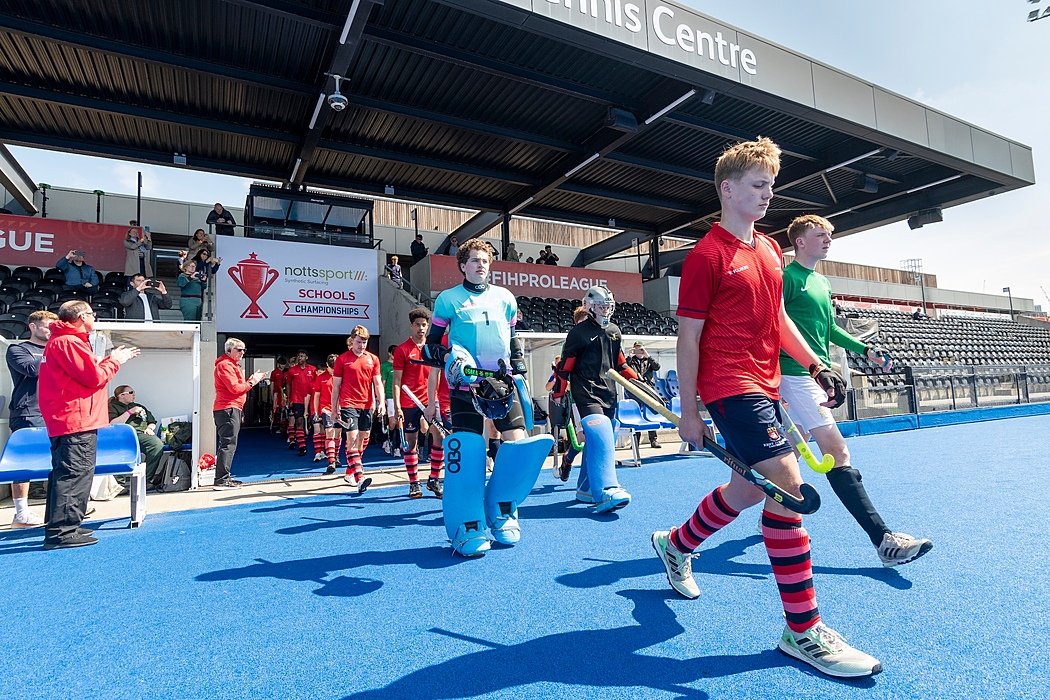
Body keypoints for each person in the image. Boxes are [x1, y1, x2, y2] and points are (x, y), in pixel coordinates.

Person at [651, 137, 881, 678]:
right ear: (727, 189)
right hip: (729, 385)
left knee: (750, 489)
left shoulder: (771, 250)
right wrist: (690, 410)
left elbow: (778, 319)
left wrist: (816, 365)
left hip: (767, 381)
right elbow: (689, 338)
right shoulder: (707, 256)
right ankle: (803, 630)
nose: (767, 194)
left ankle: (676, 544)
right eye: (758, 185)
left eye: (771, 186)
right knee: (788, 487)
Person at [781, 214, 932, 567]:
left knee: (785, 457)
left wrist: (864, 349)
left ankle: (775, 515)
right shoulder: (787, 278)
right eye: (820, 234)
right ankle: (884, 541)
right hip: (796, 374)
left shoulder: (822, 282)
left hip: (816, 375)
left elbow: (830, 329)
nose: (828, 239)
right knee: (837, 451)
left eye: (830, 235)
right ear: (800, 241)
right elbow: (774, 325)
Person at [422, 240, 553, 557]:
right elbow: (430, 347)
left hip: (502, 384)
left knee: (518, 444)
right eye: (474, 260)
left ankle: (503, 510)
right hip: (465, 386)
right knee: (469, 449)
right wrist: (448, 358)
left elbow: (513, 339)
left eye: (485, 260)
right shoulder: (448, 300)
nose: (481, 265)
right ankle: (468, 524)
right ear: (462, 265)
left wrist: (519, 367)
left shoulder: (505, 298)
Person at [39, 301, 139, 549]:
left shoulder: (62, 341)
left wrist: (108, 361)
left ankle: (61, 525)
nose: (95, 318)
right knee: (75, 474)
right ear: (82, 316)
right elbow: (93, 377)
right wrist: (115, 361)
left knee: (67, 472)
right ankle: (62, 531)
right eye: (93, 314)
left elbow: (87, 373)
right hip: (76, 418)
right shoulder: (69, 342)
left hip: (70, 417)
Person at [553, 286, 636, 512]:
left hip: (608, 392)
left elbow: (620, 363)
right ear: (589, 307)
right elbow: (564, 368)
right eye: (600, 306)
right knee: (600, 433)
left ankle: (586, 488)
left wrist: (639, 382)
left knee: (602, 437)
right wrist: (558, 395)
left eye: (607, 306)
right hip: (586, 392)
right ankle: (606, 489)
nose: (605, 310)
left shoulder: (614, 331)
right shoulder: (578, 333)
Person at [5, 310, 58, 528]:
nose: (51, 331)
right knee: (24, 463)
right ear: (33, 326)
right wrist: (58, 355)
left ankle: (58, 508)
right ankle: (21, 514)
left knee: (58, 461)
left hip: (55, 413)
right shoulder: (18, 349)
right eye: (47, 326)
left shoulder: (55, 349)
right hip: (28, 412)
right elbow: (32, 369)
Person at [393, 307, 444, 499]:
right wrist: (397, 407)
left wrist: (437, 399)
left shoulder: (433, 349)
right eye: (417, 325)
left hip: (431, 400)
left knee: (439, 436)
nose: (421, 328)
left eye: (424, 325)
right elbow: (397, 381)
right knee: (411, 442)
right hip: (409, 402)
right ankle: (414, 483)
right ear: (411, 326)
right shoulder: (402, 350)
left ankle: (434, 479)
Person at [331, 326, 385, 493]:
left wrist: (381, 402)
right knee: (352, 439)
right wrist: (334, 409)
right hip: (348, 404)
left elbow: (377, 383)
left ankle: (350, 472)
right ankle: (360, 477)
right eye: (359, 342)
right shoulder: (342, 359)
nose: (362, 345)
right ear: (352, 340)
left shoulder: (373, 359)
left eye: (365, 342)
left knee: (363, 440)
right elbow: (336, 386)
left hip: (367, 405)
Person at [213, 338, 266, 490]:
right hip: (228, 408)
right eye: (239, 349)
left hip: (230, 408)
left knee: (228, 443)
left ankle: (223, 478)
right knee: (228, 444)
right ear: (229, 350)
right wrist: (252, 382)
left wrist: (251, 380)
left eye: (244, 349)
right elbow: (235, 389)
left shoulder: (229, 365)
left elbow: (237, 388)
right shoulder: (225, 365)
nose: (243, 352)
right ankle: (221, 480)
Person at [108, 385, 165, 484]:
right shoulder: (112, 407)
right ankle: (120, 484)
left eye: (134, 392)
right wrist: (130, 412)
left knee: (157, 445)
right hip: (122, 436)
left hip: (140, 434)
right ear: (121, 395)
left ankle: (145, 480)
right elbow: (113, 423)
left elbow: (152, 421)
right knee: (118, 450)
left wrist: (150, 428)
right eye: (131, 392)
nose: (134, 394)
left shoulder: (139, 406)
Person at [625, 341, 662, 449]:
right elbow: (624, 367)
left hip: (648, 388)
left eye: (640, 349)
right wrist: (629, 356)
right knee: (636, 414)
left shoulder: (648, 360)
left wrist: (648, 355)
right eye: (636, 349)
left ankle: (653, 440)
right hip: (635, 389)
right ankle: (635, 441)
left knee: (651, 413)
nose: (639, 351)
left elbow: (657, 367)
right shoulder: (631, 361)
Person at [311, 354, 340, 474]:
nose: (333, 370)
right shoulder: (321, 378)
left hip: (340, 409)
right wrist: (316, 411)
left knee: (337, 434)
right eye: (331, 367)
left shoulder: (342, 376)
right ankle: (331, 460)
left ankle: (336, 456)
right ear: (327, 365)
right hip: (326, 409)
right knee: (330, 432)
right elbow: (316, 396)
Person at [285, 350, 317, 457]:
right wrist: (289, 398)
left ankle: (318, 447)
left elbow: (317, 385)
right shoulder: (292, 370)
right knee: (299, 422)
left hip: (311, 400)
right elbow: (288, 385)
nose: (300, 358)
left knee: (314, 423)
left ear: (306, 357)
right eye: (298, 356)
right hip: (297, 400)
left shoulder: (313, 369)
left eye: (302, 356)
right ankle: (302, 446)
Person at [380, 344, 399, 456]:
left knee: (399, 422)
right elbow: (382, 383)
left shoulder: (400, 365)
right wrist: (382, 399)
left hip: (400, 397)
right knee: (392, 423)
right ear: (389, 354)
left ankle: (397, 447)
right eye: (393, 354)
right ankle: (389, 440)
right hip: (390, 397)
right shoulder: (385, 366)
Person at [269, 356, 288, 434]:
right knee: (277, 411)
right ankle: (280, 427)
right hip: (277, 394)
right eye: (281, 364)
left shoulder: (287, 372)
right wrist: (272, 395)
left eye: (284, 364)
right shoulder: (274, 372)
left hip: (285, 394)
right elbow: (272, 384)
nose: (282, 366)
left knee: (285, 411)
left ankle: (286, 428)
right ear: (278, 364)